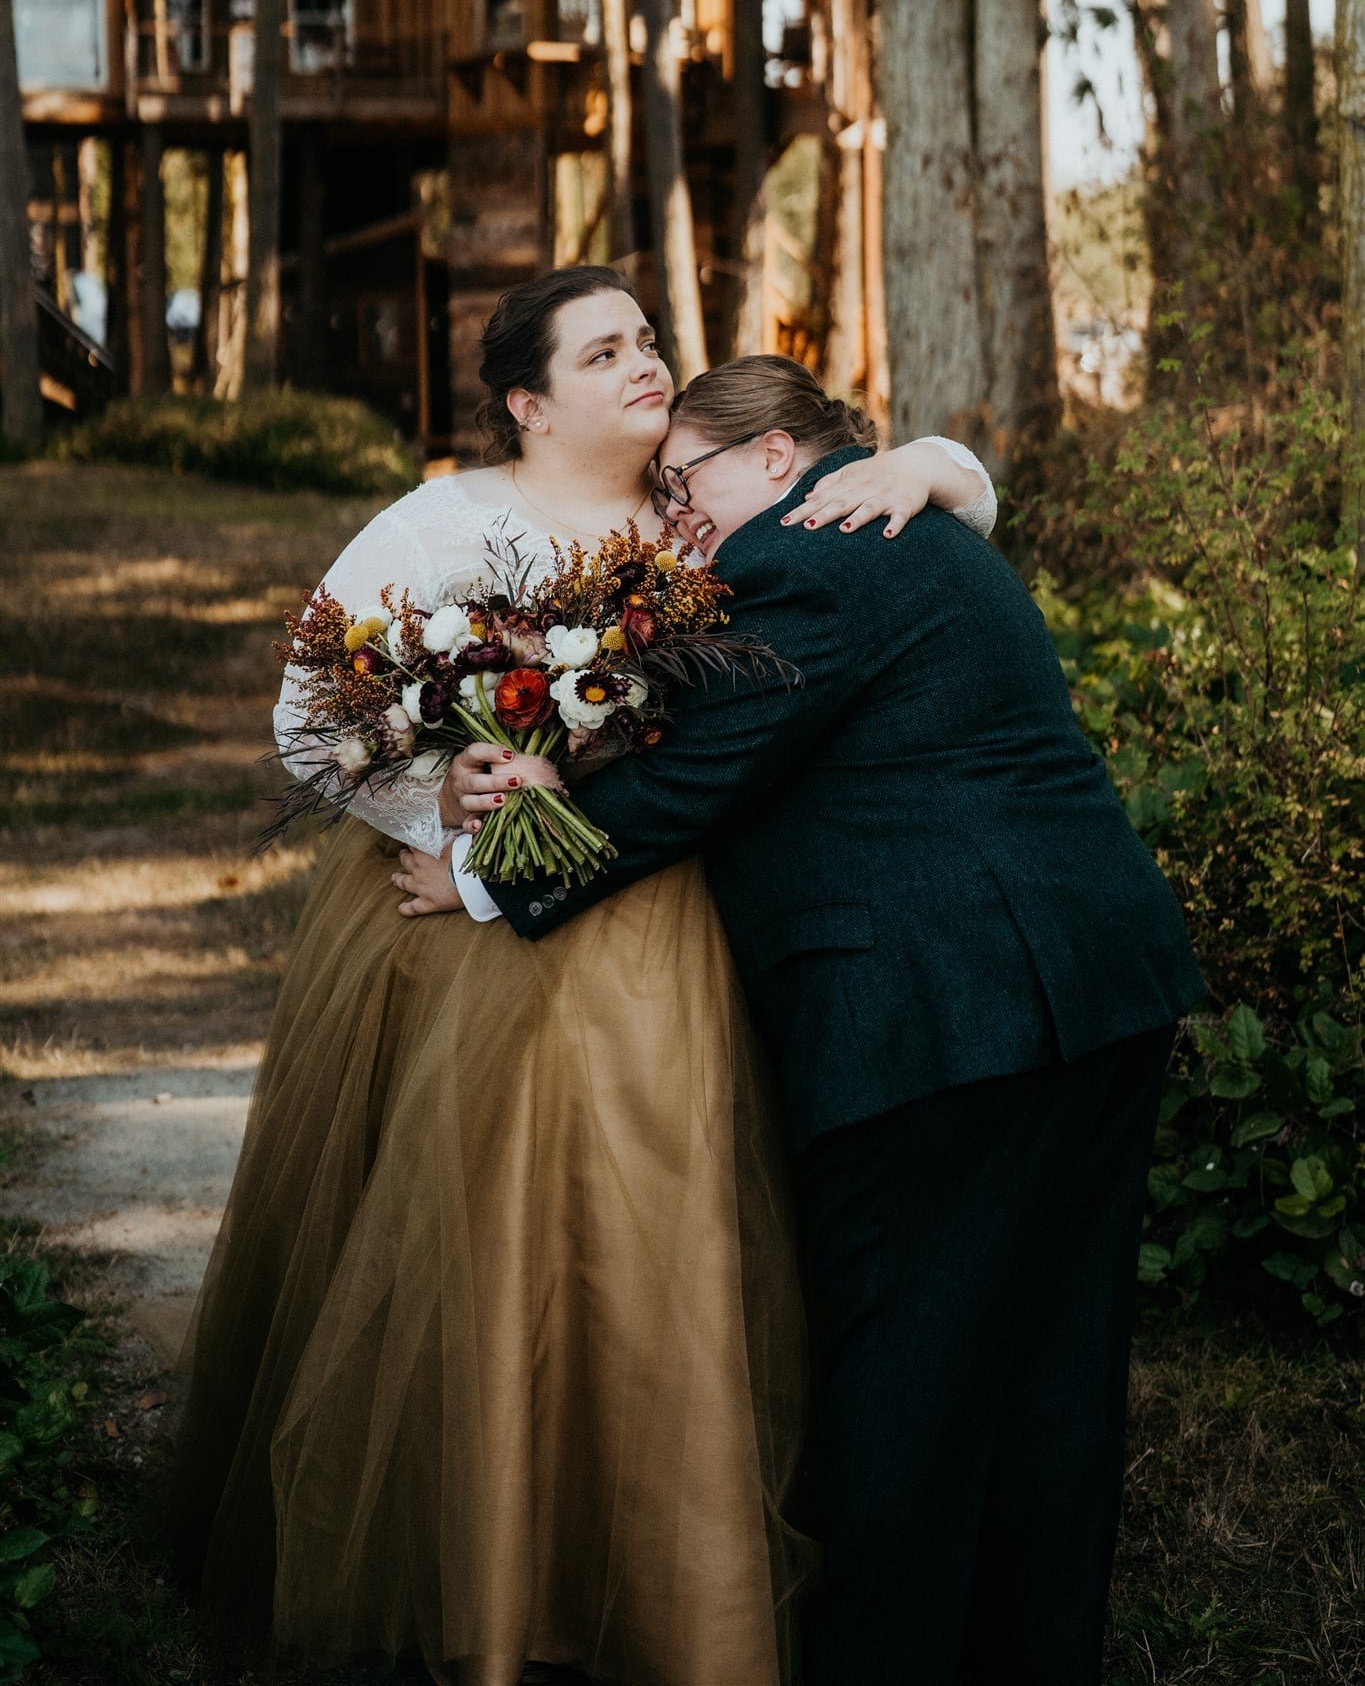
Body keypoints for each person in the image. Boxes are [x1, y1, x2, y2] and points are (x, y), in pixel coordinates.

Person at [166, 266, 998, 1686]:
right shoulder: (442, 523)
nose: (645, 362)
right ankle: (485, 1568)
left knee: (662, 1237)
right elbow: (311, 719)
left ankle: (662, 1577)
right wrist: (448, 788)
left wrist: (928, 461)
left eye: (648, 339)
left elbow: (931, 505)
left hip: (671, 933)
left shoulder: (708, 507)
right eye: (604, 349)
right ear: (527, 401)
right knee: (479, 1247)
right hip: (463, 937)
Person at [411, 353, 1207, 1686]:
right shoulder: (925, 531)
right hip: (1096, 988)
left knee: (902, 1393)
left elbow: (692, 790)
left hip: (940, 1022)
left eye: (681, 485)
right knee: (1051, 1377)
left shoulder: (803, 560)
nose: (672, 520)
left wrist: (483, 874)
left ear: (775, 461)